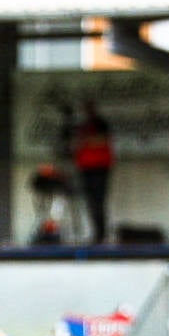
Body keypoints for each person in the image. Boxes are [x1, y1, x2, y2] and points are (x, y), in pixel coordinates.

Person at [71, 99, 114, 244]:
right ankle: (96, 233)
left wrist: (85, 140)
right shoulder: (82, 126)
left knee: (99, 201)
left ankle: (101, 234)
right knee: (90, 201)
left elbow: (103, 139)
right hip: (85, 167)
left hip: (100, 167)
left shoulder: (100, 123)